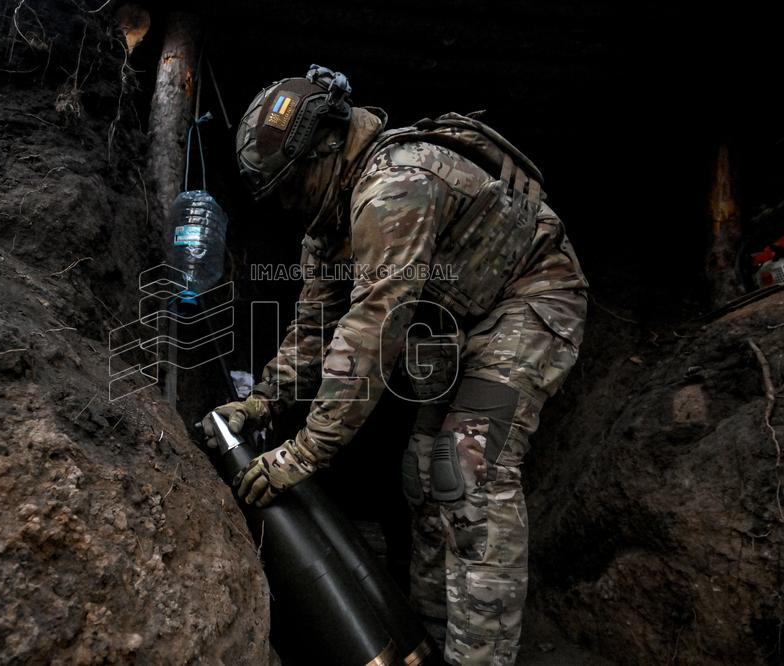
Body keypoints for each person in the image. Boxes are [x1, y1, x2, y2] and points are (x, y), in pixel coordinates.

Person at [202, 65, 588, 666]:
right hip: (455, 321)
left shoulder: (395, 186)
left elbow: (371, 331)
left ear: (327, 145)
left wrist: (302, 454)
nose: (288, 203)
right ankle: (426, 641)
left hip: (528, 297)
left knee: (468, 470)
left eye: (292, 185)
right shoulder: (328, 223)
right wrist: (262, 400)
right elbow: (314, 327)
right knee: (424, 472)